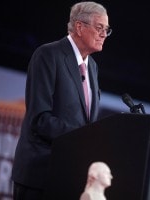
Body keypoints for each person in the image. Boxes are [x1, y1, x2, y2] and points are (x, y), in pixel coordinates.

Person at [11, 1, 112, 199]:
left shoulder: (92, 68)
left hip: (69, 176)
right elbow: (40, 118)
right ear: (79, 27)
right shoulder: (48, 55)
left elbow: (86, 121)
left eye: (106, 30)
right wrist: (85, 138)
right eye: (99, 28)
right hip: (40, 175)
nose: (103, 34)